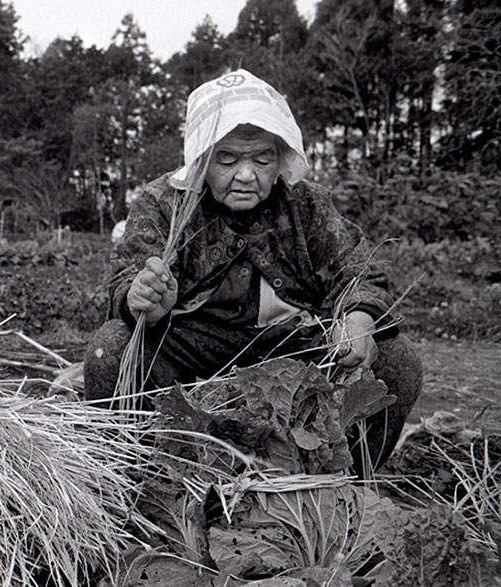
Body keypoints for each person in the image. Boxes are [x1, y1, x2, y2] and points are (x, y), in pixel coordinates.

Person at [83, 69, 422, 473]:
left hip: (291, 351)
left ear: (281, 157)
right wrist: (144, 301)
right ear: (201, 158)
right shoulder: (162, 203)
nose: (246, 175)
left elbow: (361, 269)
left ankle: (340, 485)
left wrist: (358, 318)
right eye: (226, 159)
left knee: (397, 358)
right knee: (111, 350)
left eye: (262, 159)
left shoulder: (306, 204)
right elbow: (125, 281)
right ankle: (138, 484)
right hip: (189, 351)